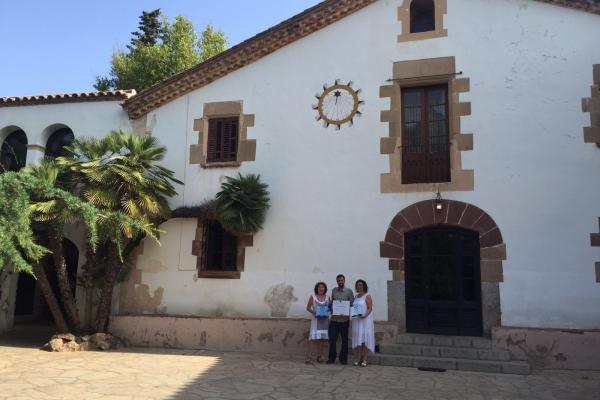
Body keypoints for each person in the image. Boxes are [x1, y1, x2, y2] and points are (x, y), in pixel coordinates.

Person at [327, 274, 354, 365]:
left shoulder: (349, 292)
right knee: (332, 340)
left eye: (342, 280)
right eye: (338, 281)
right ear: (337, 281)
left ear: (344, 280)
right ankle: (332, 358)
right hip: (334, 320)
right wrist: (331, 306)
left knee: (344, 340)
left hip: (344, 320)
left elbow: (352, 304)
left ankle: (343, 359)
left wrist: (345, 310)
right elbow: (332, 303)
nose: (340, 282)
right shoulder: (334, 290)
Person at [351, 279, 374, 367]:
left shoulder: (367, 296)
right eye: (357, 285)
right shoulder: (356, 296)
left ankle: (364, 359)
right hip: (357, 320)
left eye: (360, 285)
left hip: (365, 321)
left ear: (364, 286)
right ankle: (358, 359)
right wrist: (354, 313)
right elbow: (355, 308)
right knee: (358, 340)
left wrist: (364, 315)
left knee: (364, 340)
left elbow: (370, 308)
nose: (359, 286)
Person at [306, 281, 330, 364]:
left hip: (324, 320)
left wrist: (328, 311)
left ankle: (320, 356)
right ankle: (309, 357)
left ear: (325, 288)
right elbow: (308, 307)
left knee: (322, 339)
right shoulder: (313, 297)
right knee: (313, 339)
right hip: (316, 320)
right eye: (319, 287)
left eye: (323, 287)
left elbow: (329, 308)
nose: (321, 288)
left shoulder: (327, 297)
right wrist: (314, 312)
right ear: (317, 288)